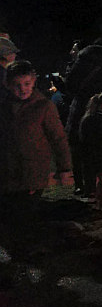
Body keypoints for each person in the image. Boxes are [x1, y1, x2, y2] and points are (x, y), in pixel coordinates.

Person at [0, 61, 73, 269]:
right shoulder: (4, 107)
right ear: (8, 85)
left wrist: (65, 168)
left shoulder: (43, 107)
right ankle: (16, 250)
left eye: (26, 84)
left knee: (24, 213)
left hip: (31, 171)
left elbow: (58, 139)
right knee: (9, 213)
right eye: (17, 85)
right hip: (7, 170)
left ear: (33, 82)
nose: (22, 89)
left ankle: (24, 255)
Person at [65, 38, 102, 198]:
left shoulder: (83, 61)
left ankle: (87, 187)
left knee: (84, 150)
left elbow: (71, 86)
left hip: (84, 111)